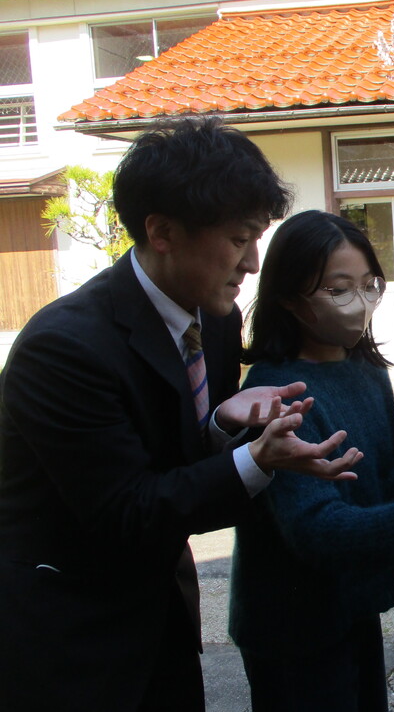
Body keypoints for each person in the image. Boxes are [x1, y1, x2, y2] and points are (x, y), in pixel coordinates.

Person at [0, 118, 360, 712]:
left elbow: (176, 462)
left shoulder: (214, 318)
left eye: (259, 236)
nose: (252, 264)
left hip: (162, 618)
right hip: (70, 636)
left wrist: (221, 427)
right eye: (240, 238)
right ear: (162, 232)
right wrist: (253, 460)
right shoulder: (63, 348)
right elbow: (127, 510)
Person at [229, 210, 394, 711]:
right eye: (338, 290)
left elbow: (377, 483)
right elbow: (318, 529)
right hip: (291, 626)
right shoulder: (276, 392)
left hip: (354, 608)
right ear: (288, 298)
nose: (359, 303)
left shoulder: (365, 370)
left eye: (370, 285)